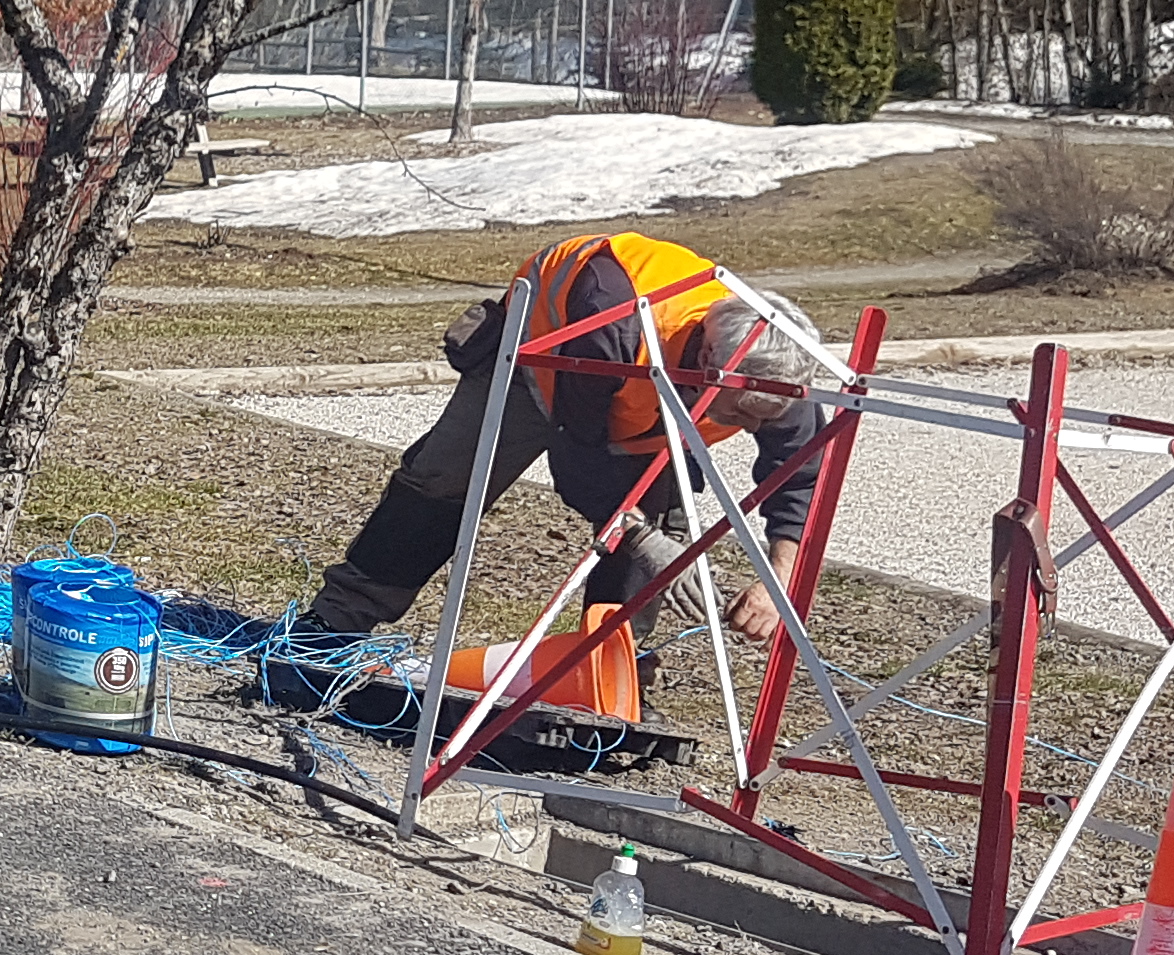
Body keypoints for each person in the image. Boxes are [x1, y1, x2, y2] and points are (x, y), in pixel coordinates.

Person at [304, 230, 828, 660]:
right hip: (539, 355)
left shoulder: (776, 373)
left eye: (760, 416)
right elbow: (578, 459)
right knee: (445, 478)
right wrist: (643, 540)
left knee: (659, 517)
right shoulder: (613, 322)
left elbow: (802, 477)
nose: (744, 425)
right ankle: (334, 623)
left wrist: (778, 582)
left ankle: (609, 669)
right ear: (708, 362)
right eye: (738, 411)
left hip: (638, 395)